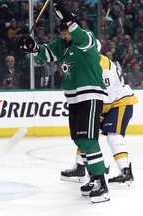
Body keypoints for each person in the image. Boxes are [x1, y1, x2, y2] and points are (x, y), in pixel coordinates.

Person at [19, 0, 109, 203]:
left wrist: (68, 18)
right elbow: (46, 53)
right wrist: (32, 47)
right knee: (79, 140)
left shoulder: (87, 39)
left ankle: (100, 181)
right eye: (61, 32)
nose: (63, 35)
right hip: (74, 98)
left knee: (88, 140)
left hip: (90, 95)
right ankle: (92, 177)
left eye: (65, 31)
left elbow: (81, 37)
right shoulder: (64, 45)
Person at [60, 44, 138, 186]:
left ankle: (126, 171)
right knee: (86, 134)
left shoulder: (103, 64)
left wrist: (95, 114)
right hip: (106, 104)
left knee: (113, 136)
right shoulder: (86, 62)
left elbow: (107, 96)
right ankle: (80, 167)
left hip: (119, 102)